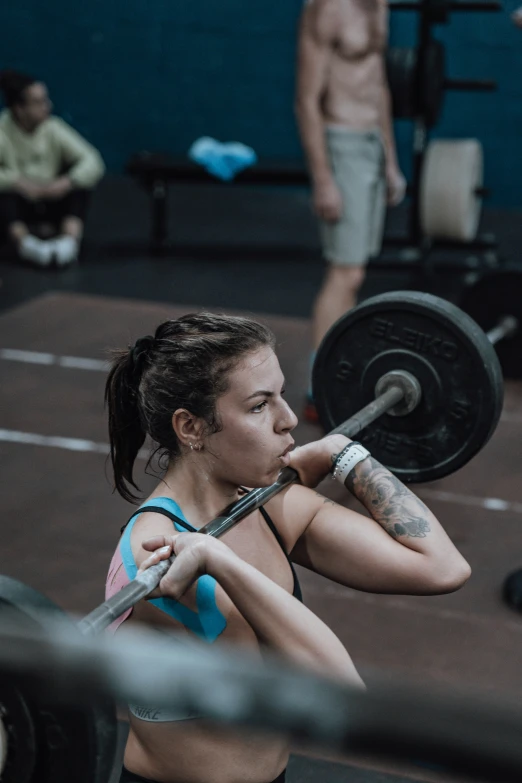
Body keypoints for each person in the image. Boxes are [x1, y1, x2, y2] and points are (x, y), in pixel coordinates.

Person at [103, 312, 471, 783]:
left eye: (281, 394)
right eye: (259, 406)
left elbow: (441, 568)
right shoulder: (154, 552)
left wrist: (345, 455)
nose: (290, 419)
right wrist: (220, 562)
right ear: (190, 428)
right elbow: (342, 692)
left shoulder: (269, 506)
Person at [295, 0, 406, 422]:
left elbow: (378, 83)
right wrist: (324, 178)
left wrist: (390, 159)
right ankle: (316, 390)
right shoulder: (327, 9)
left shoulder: (380, 6)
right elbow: (306, 101)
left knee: (354, 273)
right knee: (345, 272)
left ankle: (333, 375)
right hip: (340, 146)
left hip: (371, 146)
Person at [0, 69, 105, 267]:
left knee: (80, 188)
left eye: (45, 100)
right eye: (38, 102)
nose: (47, 106)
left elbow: (93, 160)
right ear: (19, 109)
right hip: (21, 202)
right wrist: (16, 181)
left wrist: (65, 183)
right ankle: (27, 246)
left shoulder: (53, 128)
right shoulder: (2, 131)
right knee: (4, 197)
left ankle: (68, 245)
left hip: (51, 199)